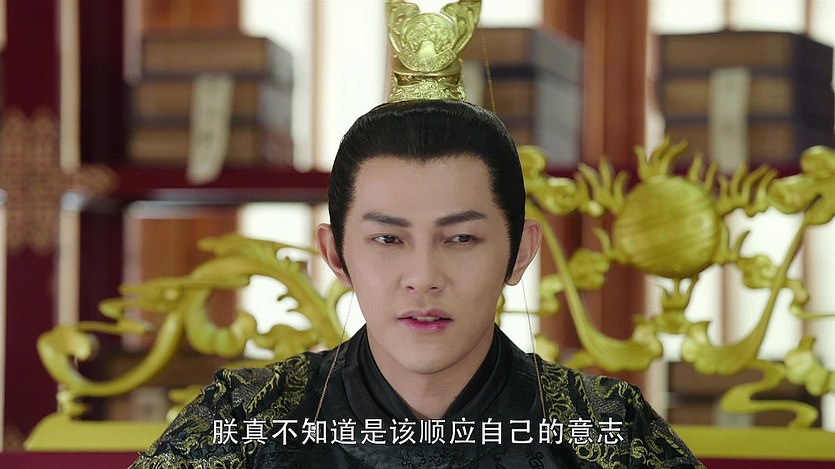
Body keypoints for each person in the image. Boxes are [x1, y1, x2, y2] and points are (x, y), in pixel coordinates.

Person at [129, 99, 704, 468]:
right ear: (335, 254)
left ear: (521, 253)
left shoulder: (605, 432)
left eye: (461, 238)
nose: (424, 279)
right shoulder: (244, 423)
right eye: (387, 239)